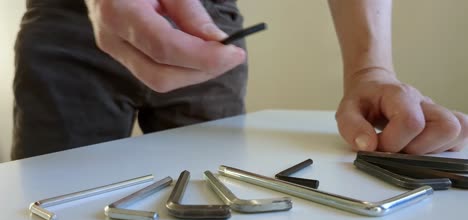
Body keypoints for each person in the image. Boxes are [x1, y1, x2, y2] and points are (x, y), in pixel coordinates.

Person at [11, 0, 468, 160]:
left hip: (214, 28)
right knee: (52, 214)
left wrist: (372, 69)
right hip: (65, 22)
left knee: (213, 204)